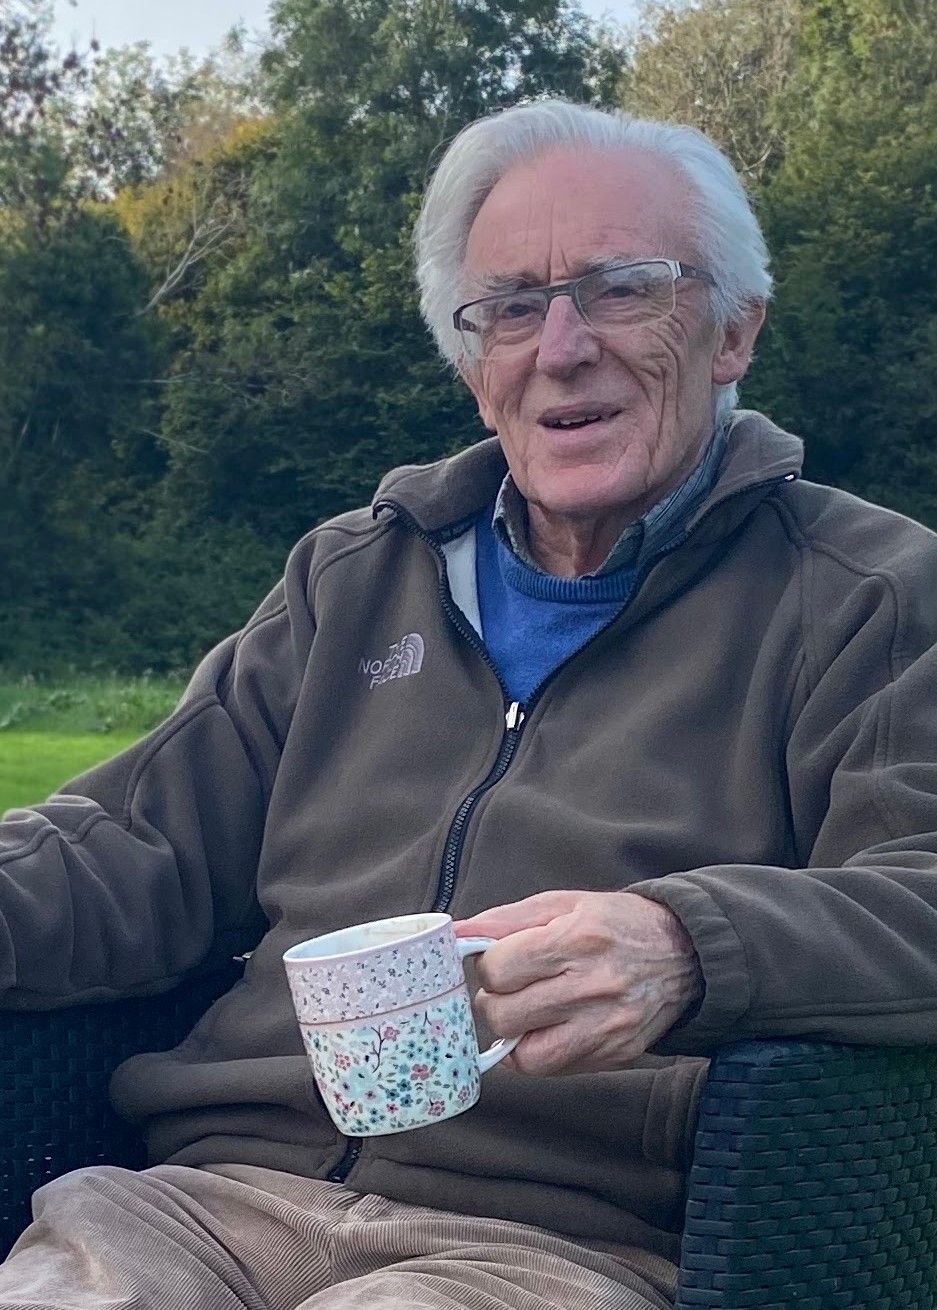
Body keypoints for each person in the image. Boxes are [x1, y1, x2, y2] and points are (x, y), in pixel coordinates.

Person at [2, 98, 937, 1310]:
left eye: (620, 289)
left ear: (732, 329)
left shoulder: (866, 594)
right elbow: (134, 845)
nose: (562, 346)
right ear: (472, 362)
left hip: (559, 1236)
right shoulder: (351, 575)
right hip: (205, 1200)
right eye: (510, 307)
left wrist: (689, 946)